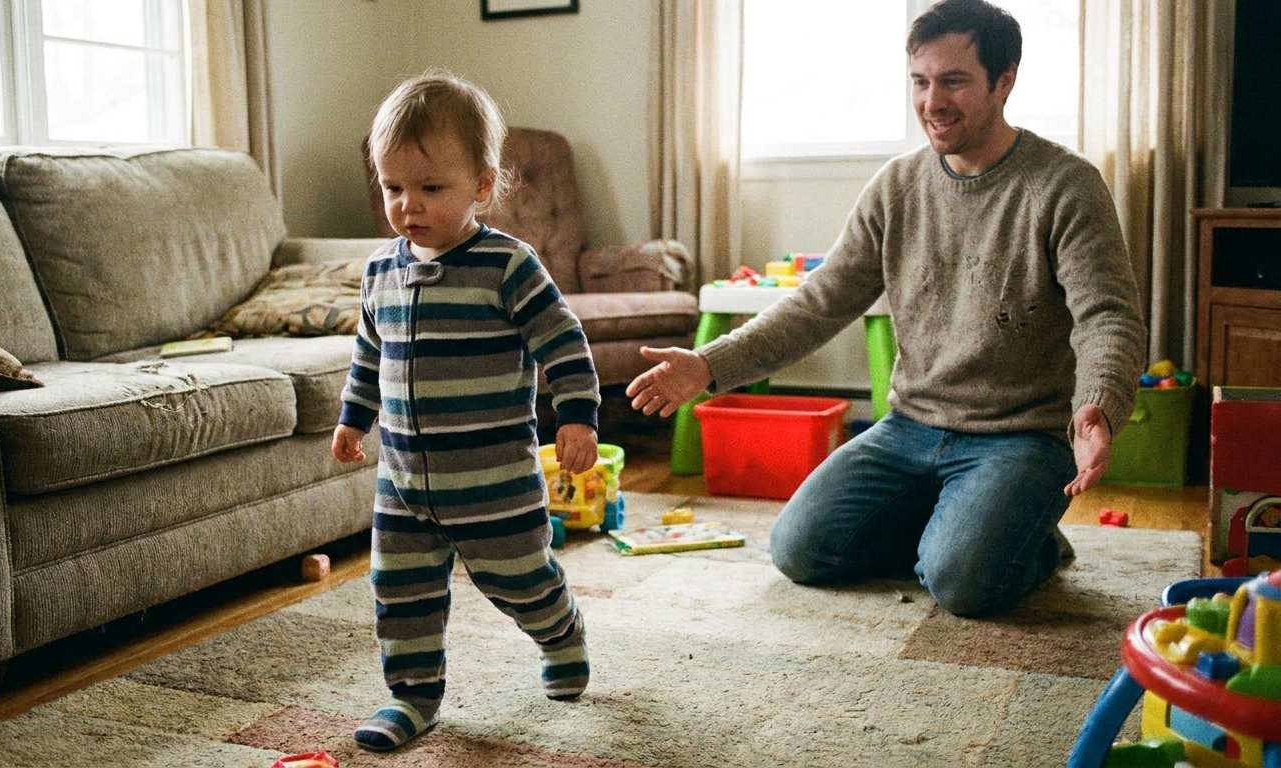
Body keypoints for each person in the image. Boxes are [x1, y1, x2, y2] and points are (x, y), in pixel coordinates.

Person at [626, 0, 1146, 619]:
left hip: (1021, 436)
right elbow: (820, 304)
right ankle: (973, 524)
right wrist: (708, 367)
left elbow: (1107, 315)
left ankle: (1013, 538)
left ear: (1005, 81)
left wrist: (1100, 406)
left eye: (954, 81)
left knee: (961, 585)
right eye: (920, 82)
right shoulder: (897, 187)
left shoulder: (1065, 184)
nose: (932, 102)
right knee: (799, 550)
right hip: (909, 427)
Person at [333, 72, 600, 751]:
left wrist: (576, 414)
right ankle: (412, 696)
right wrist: (352, 418)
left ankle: (560, 631)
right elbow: (370, 356)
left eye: (430, 188)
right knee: (401, 594)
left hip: (494, 485)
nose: (407, 206)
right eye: (393, 188)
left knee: (522, 582)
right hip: (403, 483)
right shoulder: (379, 273)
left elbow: (561, 340)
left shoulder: (508, 266)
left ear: (482, 185)